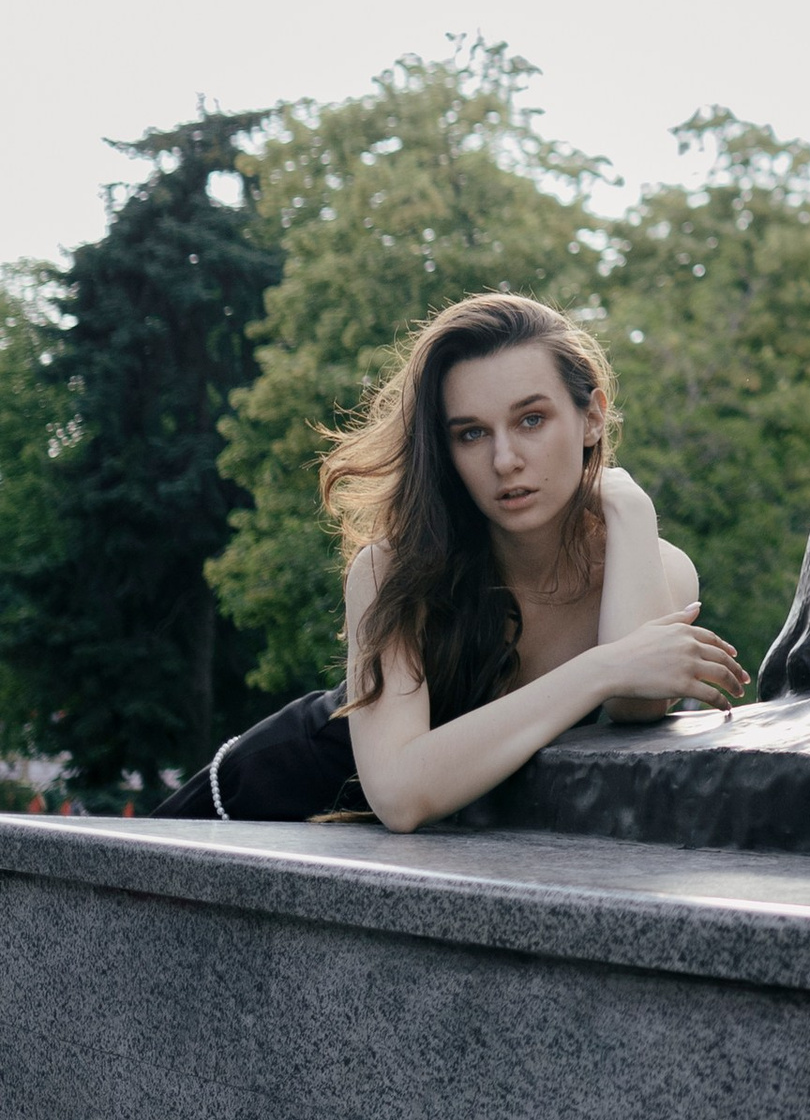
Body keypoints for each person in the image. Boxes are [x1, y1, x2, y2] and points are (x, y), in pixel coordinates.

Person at [156, 289, 746, 828]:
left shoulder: (653, 561)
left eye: (531, 420)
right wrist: (603, 667)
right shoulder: (394, 568)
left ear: (592, 416)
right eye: (471, 433)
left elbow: (638, 705)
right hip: (257, 810)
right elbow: (400, 794)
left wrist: (628, 503)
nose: (505, 459)